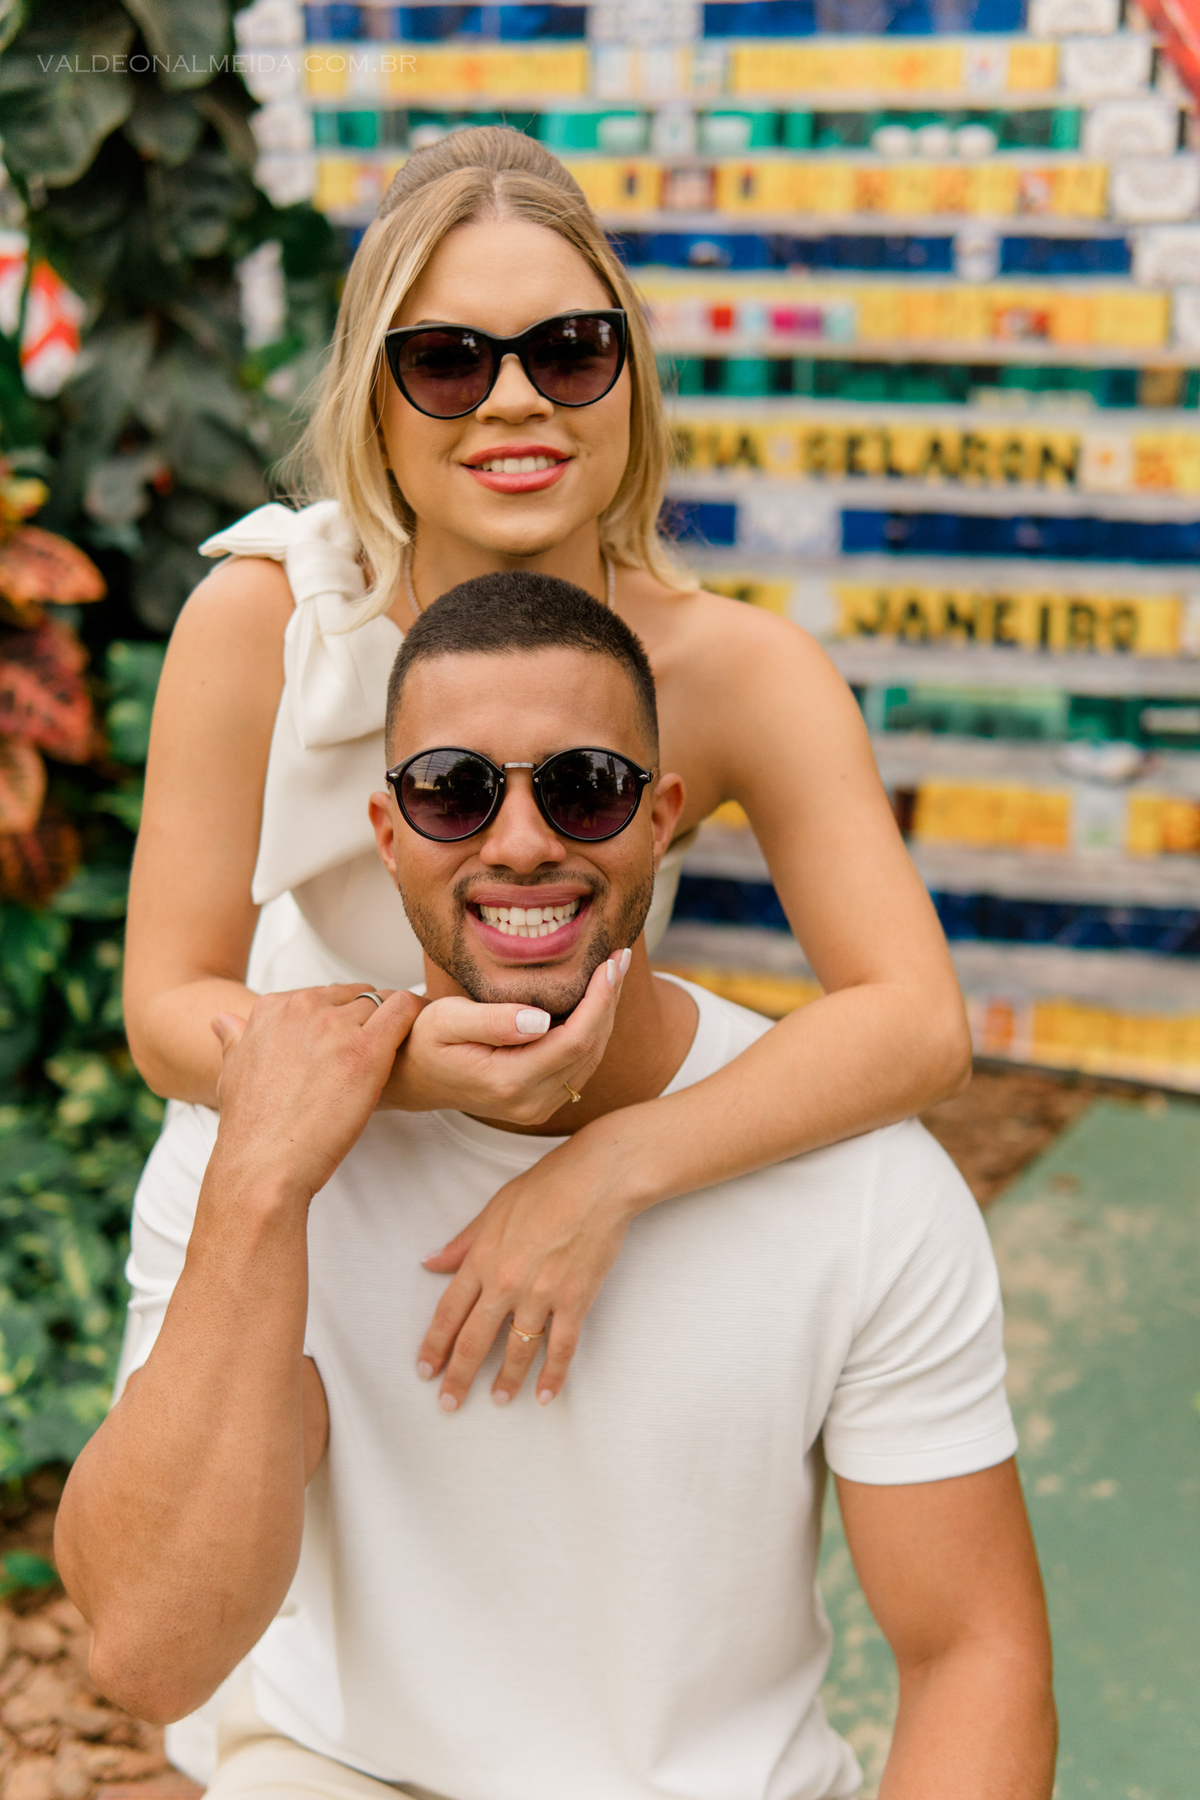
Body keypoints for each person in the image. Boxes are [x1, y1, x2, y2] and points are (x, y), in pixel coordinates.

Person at [63, 577, 1055, 1800]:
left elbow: (972, 1654)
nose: (522, 840)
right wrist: (265, 1182)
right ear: (386, 831)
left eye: (585, 789)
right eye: (452, 790)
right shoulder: (257, 1146)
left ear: (661, 820)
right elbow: (150, 1654)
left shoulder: (863, 1185)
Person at [123, 124, 973, 1416]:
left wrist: (611, 1167)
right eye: (449, 362)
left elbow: (915, 1020)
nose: (515, 399)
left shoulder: (736, 671)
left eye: (570, 352)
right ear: (375, 400)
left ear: (628, 380)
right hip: (298, 1171)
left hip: (572, 1184)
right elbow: (166, 1007)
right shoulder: (259, 627)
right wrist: (403, 1072)